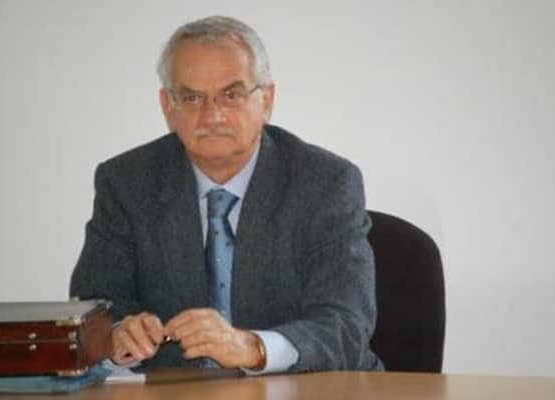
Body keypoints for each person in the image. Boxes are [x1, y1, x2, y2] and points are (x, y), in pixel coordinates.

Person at [70, 15, 382, 374]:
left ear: (267, 100)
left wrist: (253, 347)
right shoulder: (126, 183)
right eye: (192, 97)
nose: (212, 116)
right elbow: (91, 310)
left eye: (231, 95)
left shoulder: (325, 183)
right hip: (177, 391)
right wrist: (117, 335)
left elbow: (346, 325)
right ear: (168, 106)